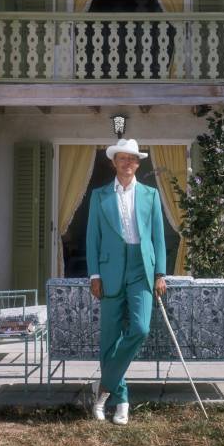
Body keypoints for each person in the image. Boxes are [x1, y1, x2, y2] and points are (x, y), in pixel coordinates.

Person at [86, 138, 167, 425]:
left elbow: (159, 237)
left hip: (141, 269)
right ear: (114, 162)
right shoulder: (99, 196)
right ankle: (121, 401)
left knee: (141, 328)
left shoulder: (151, 195)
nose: (128, 163)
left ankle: (103, 386)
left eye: (132, 159)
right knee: (109, 338)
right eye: (122, 158)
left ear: (138, 163)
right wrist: (94, 275)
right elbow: (92, 238)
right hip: (108, 272)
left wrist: (160, 273)